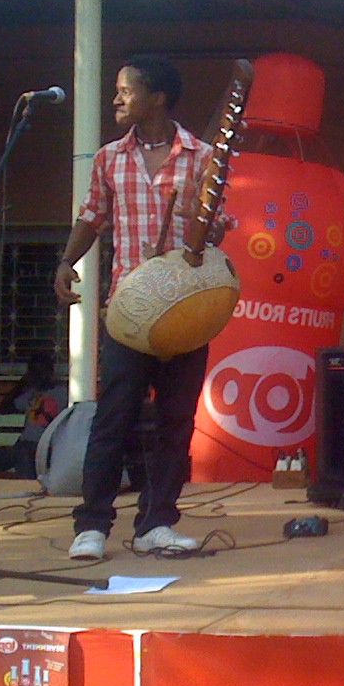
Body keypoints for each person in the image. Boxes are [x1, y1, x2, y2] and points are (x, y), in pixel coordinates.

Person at [55, 55, 227, 560]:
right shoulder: (109, 157)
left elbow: (220, 223)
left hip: (186, 307)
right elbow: (93, 216)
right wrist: (67, 261)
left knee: (176, 419)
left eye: (125, 91)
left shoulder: (202, 155)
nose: (116, 99)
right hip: (128, 310)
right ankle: (92, 525)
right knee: (115, 416)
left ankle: (158, 521)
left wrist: (209, 223)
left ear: (157, 98)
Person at [0, 350, 67, 479]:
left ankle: (28, 491)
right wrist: (21, 383)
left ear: (50, 372)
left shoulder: (62, 393)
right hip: (22, 445)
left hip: (46, 448)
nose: (38, 376)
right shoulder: (30, 394)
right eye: (34, 372)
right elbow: (4, 408)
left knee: (24, 455)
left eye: (41, 371)